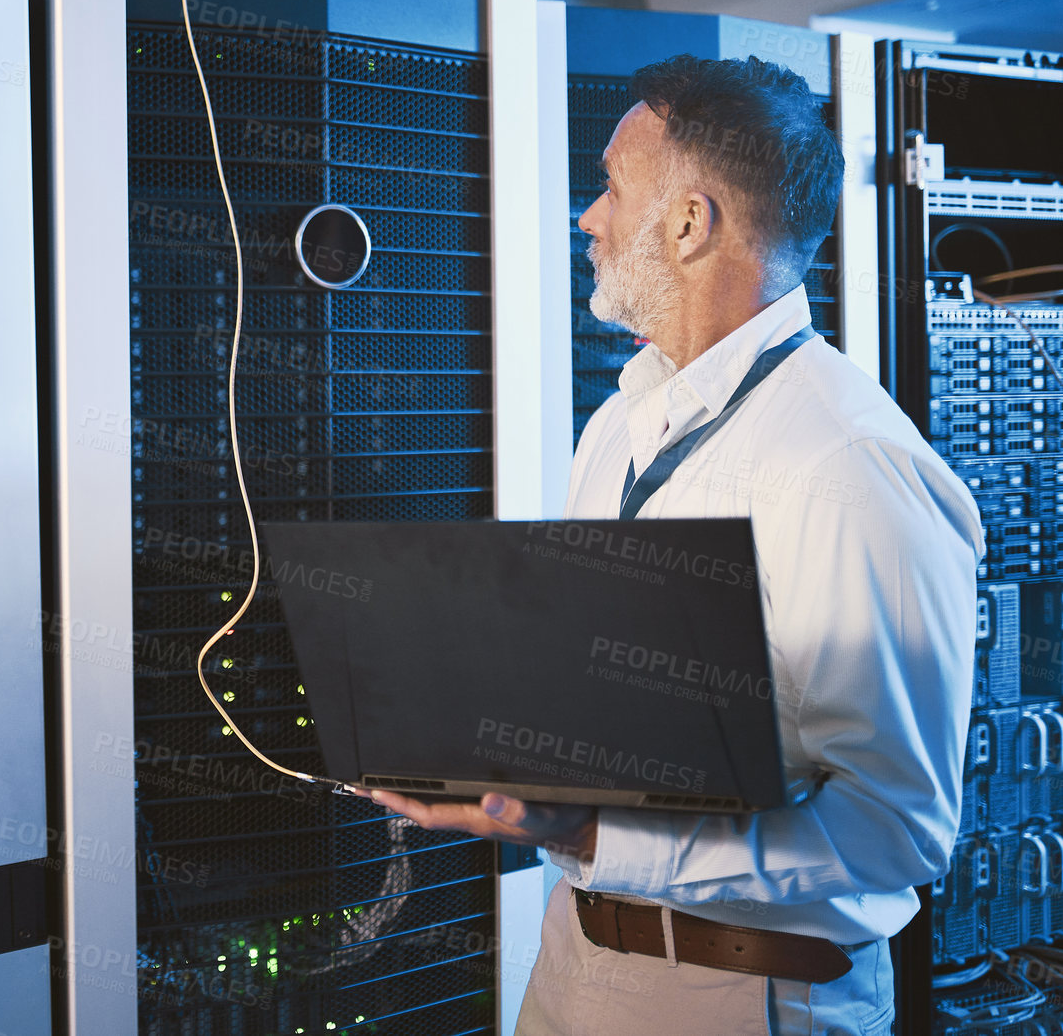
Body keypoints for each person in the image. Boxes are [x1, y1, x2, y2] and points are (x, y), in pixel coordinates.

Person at [366, 54, 984, 1034]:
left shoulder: (850, 462)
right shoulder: (619, 422)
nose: (588, 218)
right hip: (573, 954)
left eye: (610, 186)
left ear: (690, 223)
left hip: (745, 992)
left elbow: (894, 826)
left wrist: (595, 830)